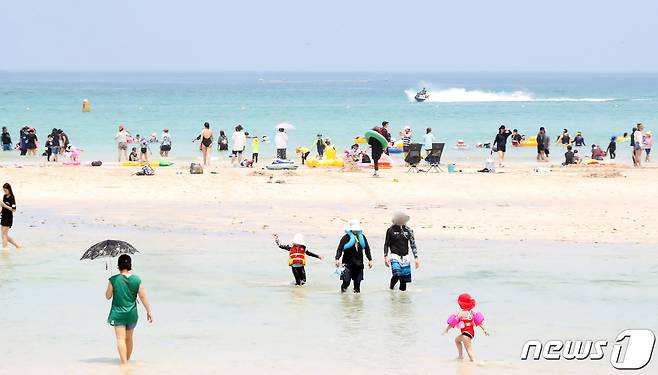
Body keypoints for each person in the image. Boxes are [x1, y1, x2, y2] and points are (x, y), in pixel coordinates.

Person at [105, 254, 153, 365]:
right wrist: (149, 311)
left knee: (120, 339)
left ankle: (124, 364)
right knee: (129, 339)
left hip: (118, 314)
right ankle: (126, 361)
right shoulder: (136, 279)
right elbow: (142, 296)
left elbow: (108, 296)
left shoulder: (113, 279)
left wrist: (112, 283)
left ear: (118, 266)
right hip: (132, 314)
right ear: (130, 265)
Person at [443, 293, 490, 362]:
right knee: (457, 340)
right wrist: (485, 330)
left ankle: (474, 361)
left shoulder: (461, 313)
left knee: (469, 350)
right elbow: (479, 322)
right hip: (470, 333)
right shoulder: (472, 313)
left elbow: (453, 322)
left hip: (465, 334)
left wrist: (446, 330)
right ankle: (460, 356)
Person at [383, 212, 419, 291]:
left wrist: (416, 258)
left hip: (405, 256)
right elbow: (386, 244)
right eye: (399, 219)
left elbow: (413, 244)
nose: (401, 220)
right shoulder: (390, 230)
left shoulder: (408, 230)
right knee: (397, 274)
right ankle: (391, 288)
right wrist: (386, 256)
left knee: (403, 280)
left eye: (402, 219)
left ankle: (402, 299)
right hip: (394, 255)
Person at [334, 219, 373, 293]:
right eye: (354, 229)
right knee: (346, 282)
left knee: (357, 284)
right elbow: (340, 249)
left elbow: (367, 248)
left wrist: (370, 260)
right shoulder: (345, 238)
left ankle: (357, 302)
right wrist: (337, 259)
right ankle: (343, 296)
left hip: (359, 264)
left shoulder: (362, 237)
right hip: (347, 264)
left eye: (357, 230)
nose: (356, 231)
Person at [1, 183, 19, 249]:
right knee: (3, 235)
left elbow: (14, 210)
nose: (4, 192)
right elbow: (3, 207)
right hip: (3, 216)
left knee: (4, 235)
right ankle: (17, 246)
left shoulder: (12, 198)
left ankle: (5, 249)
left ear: (9, 189)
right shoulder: (4, 196)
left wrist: (4, 205)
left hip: (8, 218)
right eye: (3, 190)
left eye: (5, 190)